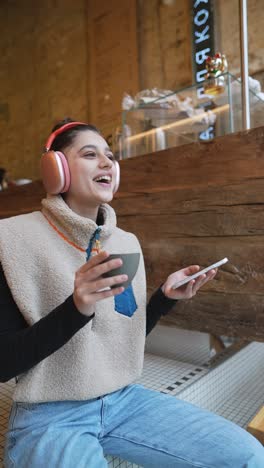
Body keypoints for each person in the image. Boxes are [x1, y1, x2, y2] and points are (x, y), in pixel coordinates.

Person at [0, 119, 263, 468]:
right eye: (90, 154)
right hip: (50, 414)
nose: (107, 163)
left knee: (249, 456)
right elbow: (5, 363)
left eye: (110, 156)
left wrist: (163, 300)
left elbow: (120, 334)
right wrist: (76, 309)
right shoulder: (12, 240)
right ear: (56, 169)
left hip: (124, 401)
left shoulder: (124, 242)